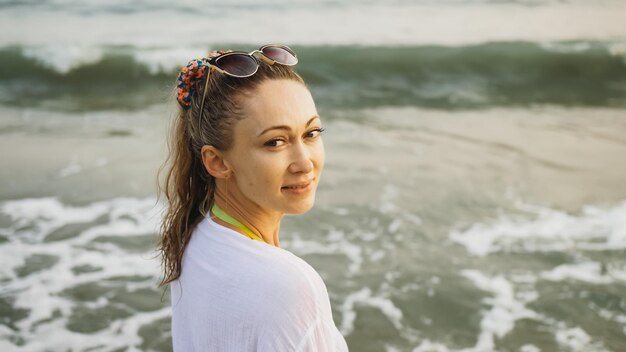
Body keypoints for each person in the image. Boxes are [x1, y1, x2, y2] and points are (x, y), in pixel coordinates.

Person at [156, 44, 349, 351]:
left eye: (311, 133)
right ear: (217, 162)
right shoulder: (289, 286)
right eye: (274, 142)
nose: (304, 162)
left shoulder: (196, 238)